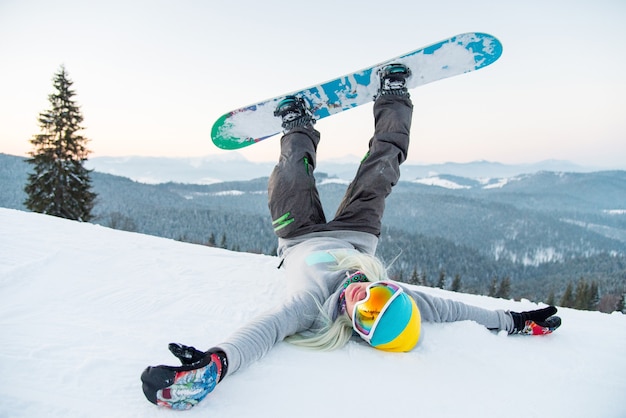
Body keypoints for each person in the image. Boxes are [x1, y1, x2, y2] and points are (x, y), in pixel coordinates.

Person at [141, 64, 562, 410]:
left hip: (299, 238)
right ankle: (394, 98)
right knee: (381, 167)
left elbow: (265, 331)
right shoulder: (392, 292)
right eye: (381, 296)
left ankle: (297, 126)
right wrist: (515, 321)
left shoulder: (310, 308)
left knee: (289, 176)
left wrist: (216, 364)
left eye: (367, 314)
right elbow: (457, 310)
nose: (366, 297)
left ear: (356, 328)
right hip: (357, 236)